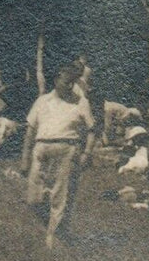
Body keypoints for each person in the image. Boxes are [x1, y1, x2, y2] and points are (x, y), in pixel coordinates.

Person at [19, 64, 97, 248]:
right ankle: (54, 228)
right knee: (33, 199)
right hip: (41, 150)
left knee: (60, 197)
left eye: (72, 82)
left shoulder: (80, 101)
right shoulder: (42, 101)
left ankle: (54, 238)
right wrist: (24, 158)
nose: (70, 86)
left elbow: (92, 130)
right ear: (55, 81)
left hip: (67, 150)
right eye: (66, 82)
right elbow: (30, 131)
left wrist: (87, 153)